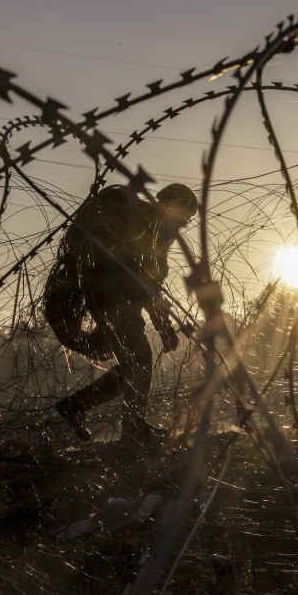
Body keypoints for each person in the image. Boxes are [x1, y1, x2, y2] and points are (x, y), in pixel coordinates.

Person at [51, 183, 198, 444]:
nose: (184, 223)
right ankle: (131, 428)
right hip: (111, 299)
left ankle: (78, 407)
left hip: (120, 300)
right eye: (183, 215)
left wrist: (161, 322)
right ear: (170, 204)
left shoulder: (158, 230)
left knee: (134, 363)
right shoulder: (141, 219)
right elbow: (141, 276)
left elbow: (151, 283)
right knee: (139, 358)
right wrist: (160, 320)